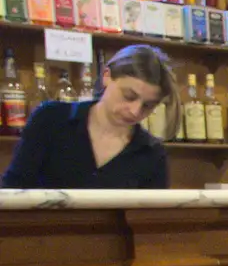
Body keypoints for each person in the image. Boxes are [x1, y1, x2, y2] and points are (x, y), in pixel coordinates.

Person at [2, 44, 175, 189]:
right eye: (129, 96)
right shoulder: (50, 118)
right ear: (107, 76)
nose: (135, 111)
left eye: (147, 105)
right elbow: (12, 190)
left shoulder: (152, 154)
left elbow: (150, 221)